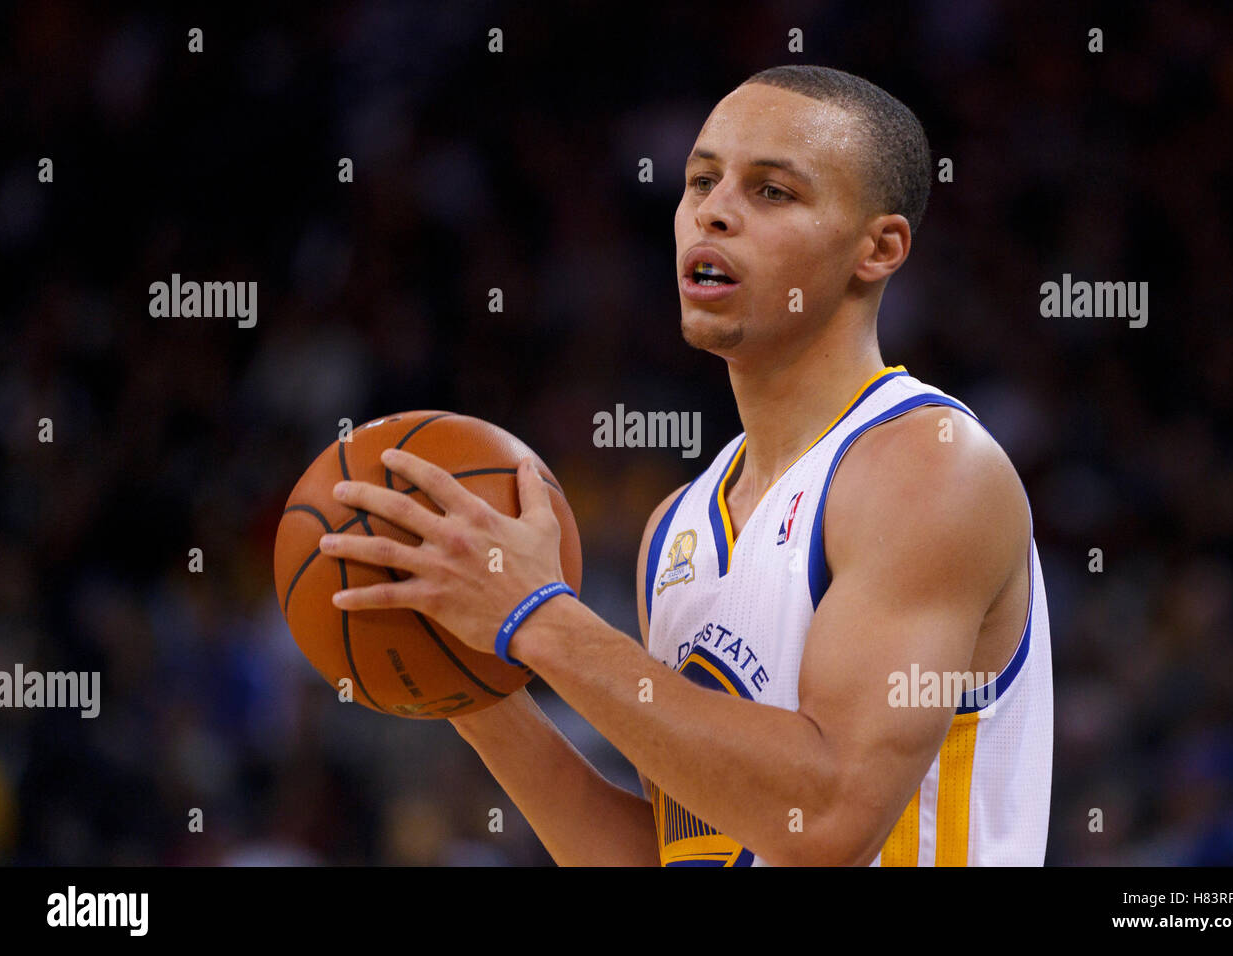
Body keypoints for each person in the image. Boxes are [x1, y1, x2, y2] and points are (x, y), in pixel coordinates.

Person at [318, 64, 1053, 866]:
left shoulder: (931, 467)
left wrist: (536, 613)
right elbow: (681, 853)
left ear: (877, 249)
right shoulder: (676, 529)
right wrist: (457, 669)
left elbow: (831, 814)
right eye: (702, 179)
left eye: (772, 191)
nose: (715, 210)